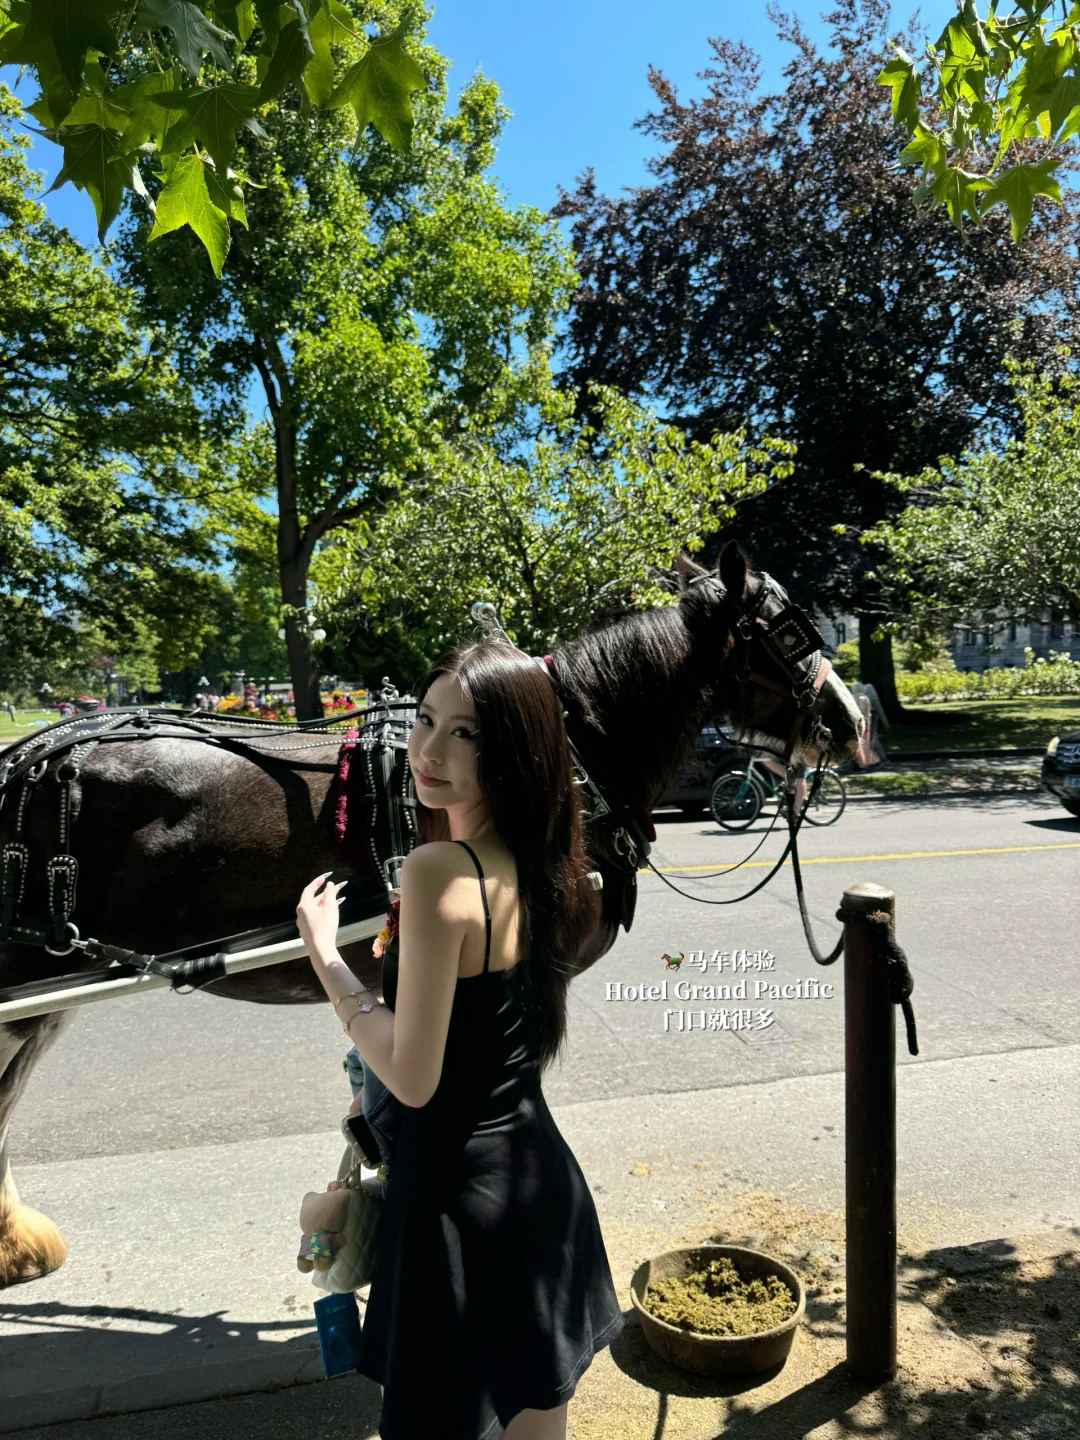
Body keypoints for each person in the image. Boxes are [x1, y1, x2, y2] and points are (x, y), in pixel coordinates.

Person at [296, 641, 625, 1440]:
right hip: (537, 1184)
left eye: (466, 734)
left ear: (515, 747)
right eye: (423, 721)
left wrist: (327, 957)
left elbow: (413, 1076)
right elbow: (485, 1027)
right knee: (535, 1417)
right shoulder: (546, 861)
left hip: (453, 1206)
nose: (429, 751)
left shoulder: (439, 868)